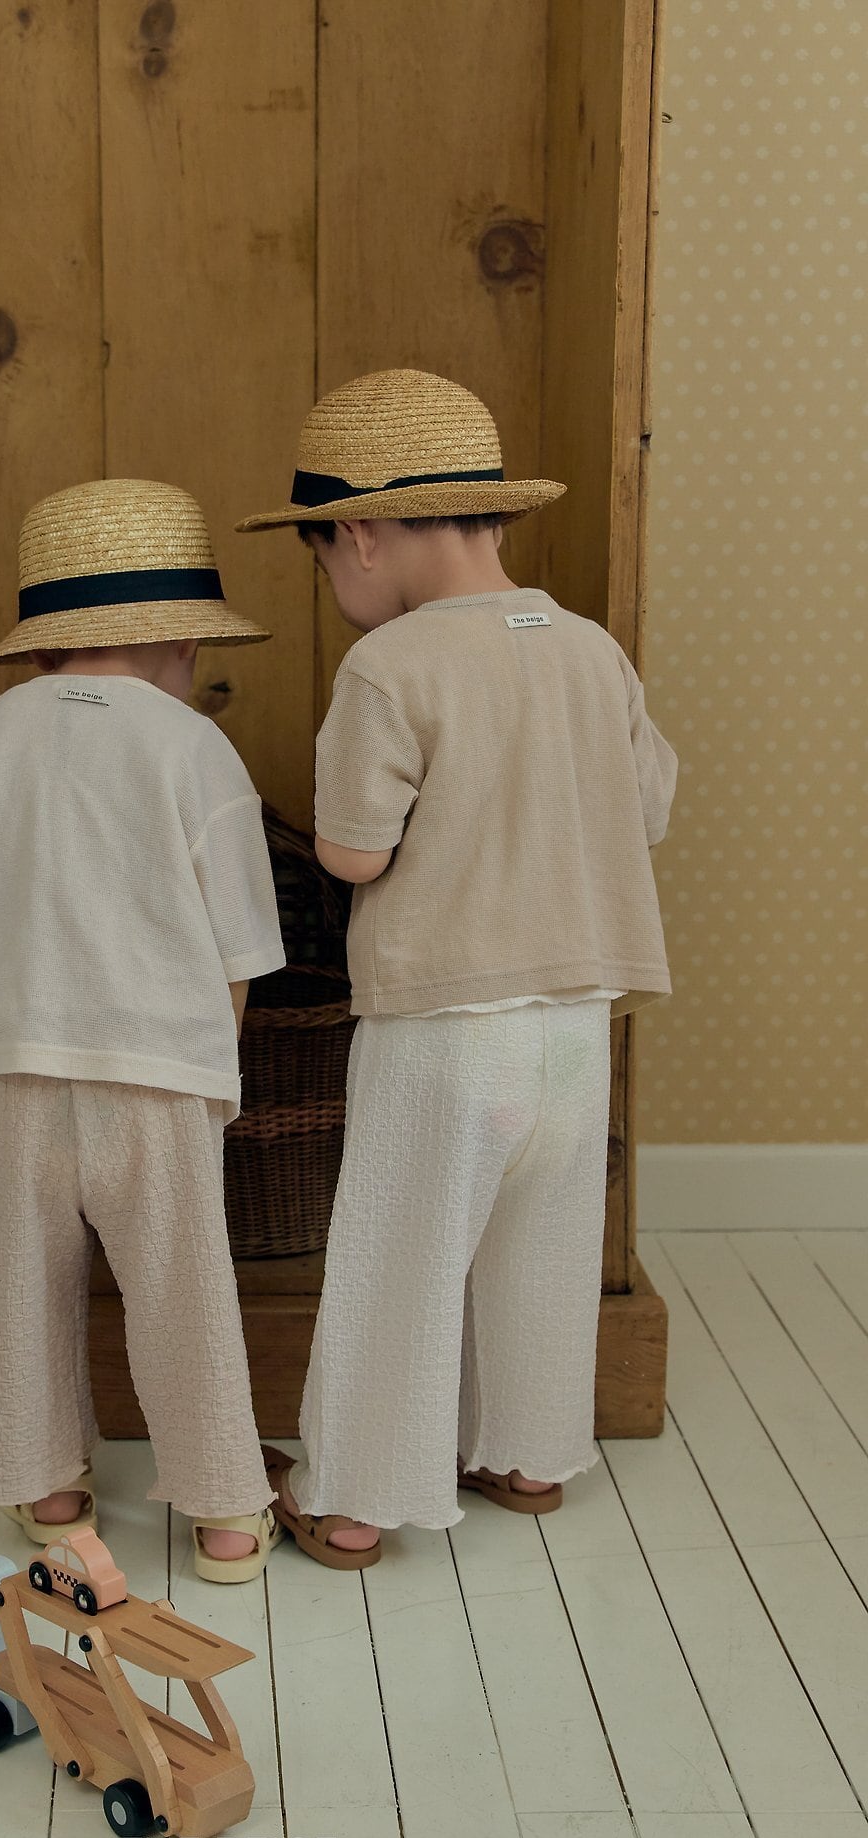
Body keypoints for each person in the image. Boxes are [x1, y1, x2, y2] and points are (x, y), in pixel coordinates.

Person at [238, 369, 677, 1567]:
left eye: (319, 556)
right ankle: (529, 1456)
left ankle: (350, 1499)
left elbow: (353, 852)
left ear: (360, 534)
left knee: (400, 1254)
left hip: (443, 1024)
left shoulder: (391, 667)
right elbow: (645, 807)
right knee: (541, 1245)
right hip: (573, 1021)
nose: (332, 584)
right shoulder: (589, 648)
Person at [0, 478, 285, 1582]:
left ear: (42, 643)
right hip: (154, 1068)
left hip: (3, 1067)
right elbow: (239, 947)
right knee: (182, 1281)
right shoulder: (193, 748)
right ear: (184, 638)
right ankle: (228, 1513)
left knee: (26, 1271)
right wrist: (214, 1063)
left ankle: (44, 1485)